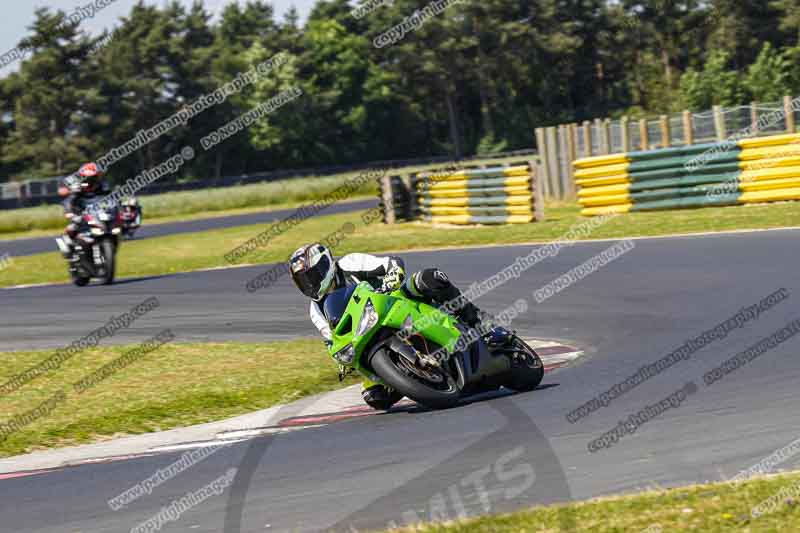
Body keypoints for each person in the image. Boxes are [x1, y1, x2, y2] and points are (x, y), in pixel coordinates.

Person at [289, 243, 484, 410]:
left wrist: (391, 280)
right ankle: (418, 377)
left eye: (312, 276)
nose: (310, 284)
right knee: (375, 396)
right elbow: (332, 338)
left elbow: (392, 263)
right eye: (303, 281)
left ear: (325, 265)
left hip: (394, 300)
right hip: (365, 331)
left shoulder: (349, 263)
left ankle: (475, 318)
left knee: (429, 278)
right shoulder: (315, 309)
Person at [58, 162, 111, 257]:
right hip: (81, 213)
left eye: (93, 177)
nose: (91, 180)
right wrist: (69, 212)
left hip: (97, 213)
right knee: (74, 226)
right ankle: (66, 243)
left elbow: (111, 198)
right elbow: (68, 200)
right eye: (88, 178)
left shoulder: (103, 186)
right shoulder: (78, 188)